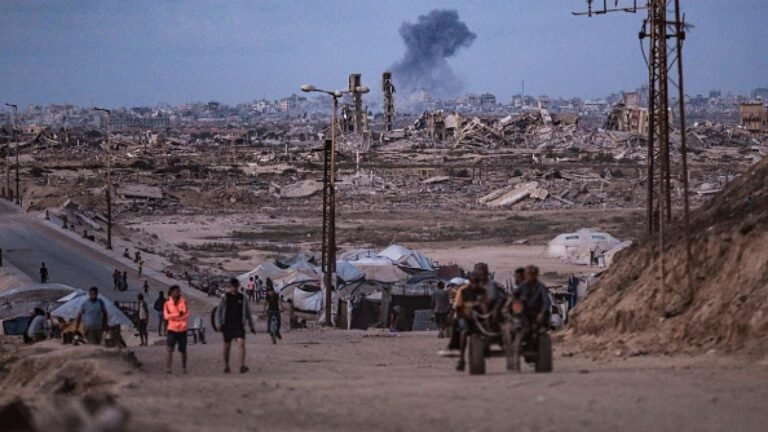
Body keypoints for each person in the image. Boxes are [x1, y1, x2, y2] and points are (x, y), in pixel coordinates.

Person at [216, 278, 256, 374]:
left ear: (238, 287)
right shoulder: (225, 297)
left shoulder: (243, 297)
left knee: (242, 344)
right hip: (227, 325)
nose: (234, 288)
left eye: (236, 287)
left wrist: (251, 326)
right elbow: (218, 311)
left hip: (239, 325)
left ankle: (242, 366)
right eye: (232, 287)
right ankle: (226, 366)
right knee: (227, 346)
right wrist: (219, 323)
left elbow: (248, 312)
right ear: (230, 287)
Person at [453, 273, 488, 371]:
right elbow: (458, 307)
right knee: (464, 332)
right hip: (465, 316)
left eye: (477, 282)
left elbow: (486, 306)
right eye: (473, 282)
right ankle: (461, 359)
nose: (475, 285)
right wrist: (464, 316)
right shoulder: (462, 291)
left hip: (479, 317)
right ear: (470, 282)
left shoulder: (483, 291)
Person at [164, 285, 189, 374]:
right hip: (172, 329)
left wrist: (175, 317)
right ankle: (168, 368)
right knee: (169, 349)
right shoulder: (167, 303)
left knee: (183, 350)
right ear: (171, 292)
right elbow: (166, 316)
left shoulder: (183, 302)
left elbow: (186, 314)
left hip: (182, 329)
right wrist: (178, 315)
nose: (178, 293)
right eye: (176, 291)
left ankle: (184, 368)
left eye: (179, 291)